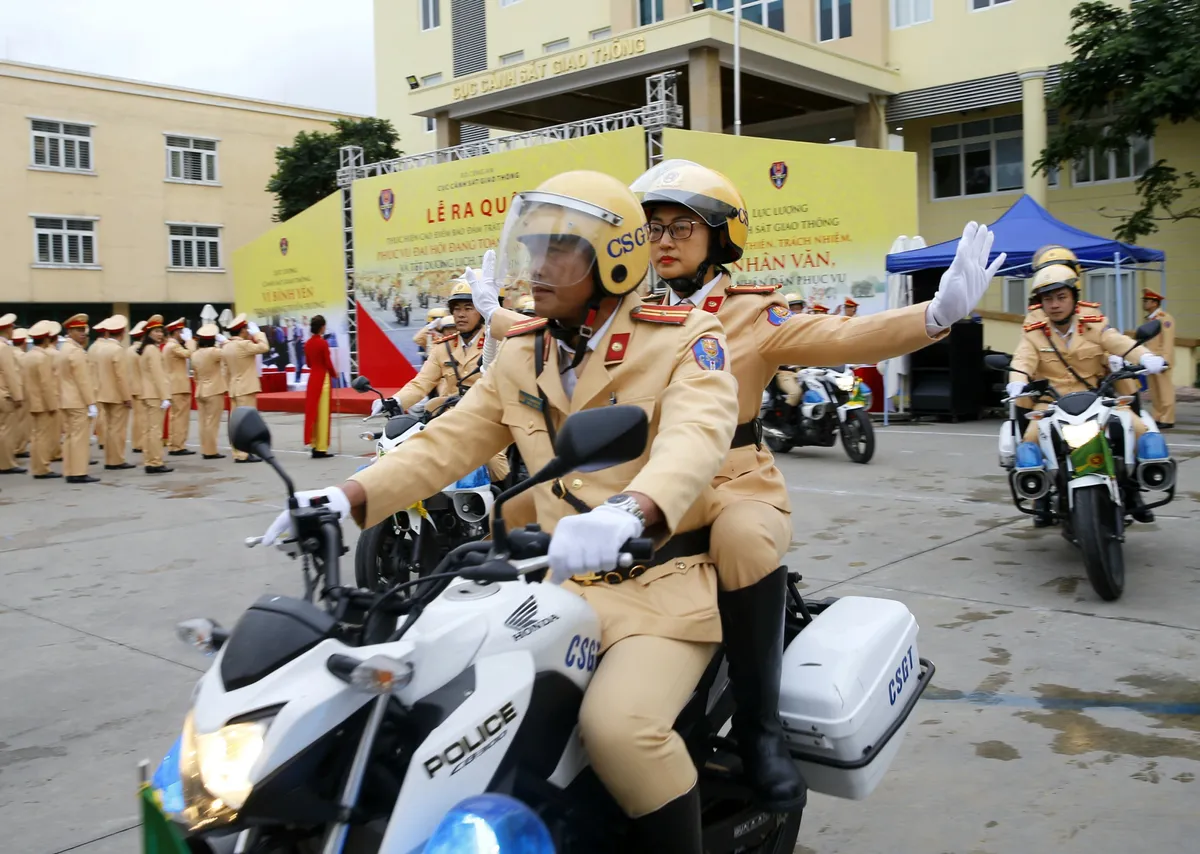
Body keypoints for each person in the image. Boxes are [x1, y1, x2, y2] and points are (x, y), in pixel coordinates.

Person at [473, 160, 1004, 811]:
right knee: (511, 513)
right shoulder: (627, 310)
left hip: (733, 479)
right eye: (652, 228)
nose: (663, 241)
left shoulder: (751, 313)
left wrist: (935, 315)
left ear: (719, 238)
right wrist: (491, 313)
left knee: (742, 539)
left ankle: (760, 730)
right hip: (640, 484)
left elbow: (841, 336)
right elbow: (541, 338)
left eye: (680, 227)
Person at [261, 170, 739, 852]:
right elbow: (448, 441)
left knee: (620, 730)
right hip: (551, 587)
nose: (537, 269)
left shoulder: (685, 336)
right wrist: (345, 497)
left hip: (656, 588)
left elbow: (697, 438)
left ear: (617, 257)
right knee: (435, 704)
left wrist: (633, 511)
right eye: (535, 249)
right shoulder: (524, 349)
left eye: (559, 253)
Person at [1008, 264, 1166, 525]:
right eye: (1048, 299)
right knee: (1030, 439)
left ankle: (1133, 492)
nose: (1055, 305)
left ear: (1073, 298)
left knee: (1138, 430)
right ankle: (1042, 495)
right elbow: (1022, 360)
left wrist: (1146, 356)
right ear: (1041, 304)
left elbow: (1118, 342)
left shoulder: (1094, 325)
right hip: (1052, 402)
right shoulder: (1034, 333)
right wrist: (1016, 381)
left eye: (1061, 297)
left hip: (1097, 398)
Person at [222, 314, 270, 463]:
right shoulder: (243, 344)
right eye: (246, 329)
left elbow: (225, 371)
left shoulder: (226, 346)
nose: (248, 331)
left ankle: (237, 452)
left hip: (234, 387)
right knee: (246, 422)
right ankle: (244, 453)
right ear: (242, 330)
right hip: (246, 388)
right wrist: (258, 334)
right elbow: (264, 347)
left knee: (235, 422)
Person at [59, 314, 99, 484]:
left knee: (70, 437)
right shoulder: (76, 352)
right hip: (77, 400)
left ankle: (70, 470)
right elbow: (83, 380)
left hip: (66, 399)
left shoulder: (64, 349)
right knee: (79, 438)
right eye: (78, 330)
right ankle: (78, 472)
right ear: (69, 331)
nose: (82, 333)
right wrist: (91, 403)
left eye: (83, 329)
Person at [94, 315, 135, 470]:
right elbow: (121, 377)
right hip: (117, 395)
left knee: (110, 428)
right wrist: (127, 397)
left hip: (104, 393)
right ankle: (116, 460)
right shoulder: (118, 350)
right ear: (122, 332)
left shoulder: (102, 349)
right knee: (118, 429)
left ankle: (110, 459)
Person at [23, 321, 62, 479]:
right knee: (43, 436)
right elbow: (46, 384)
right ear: (46, 340)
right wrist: (53, 405)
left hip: (32, 401)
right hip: (44, 403)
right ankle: (42, 468)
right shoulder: (42, 358)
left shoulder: (29, 356)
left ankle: (37, 466)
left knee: (37, 436)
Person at [138, 315, 173, 475]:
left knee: (149, 430)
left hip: (148, 393)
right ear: (149, 333)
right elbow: (158, 375)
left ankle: (149, 460)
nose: (159, 334)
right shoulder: (152, 350)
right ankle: (156, 461)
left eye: (161, 331)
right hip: (154, 394)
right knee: (155, 430)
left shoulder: (146, 349)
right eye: (156, 331)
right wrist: (165, 396)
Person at [191, 324, 228, 459]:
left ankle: (205, 449)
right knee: (212, 422)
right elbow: (228, 351)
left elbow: (195, 374)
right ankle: (211, 451)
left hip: (200, 389)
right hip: (214, 390)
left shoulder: (194, 354)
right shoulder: (214, 352)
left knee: (203, 422)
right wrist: (224, 341)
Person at [303, 314, 337, 459]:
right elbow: (328, 363)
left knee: (314, 413)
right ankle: (321, 448)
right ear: (322, 327)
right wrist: (335, 374)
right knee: (323, 414)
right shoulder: (323, 343)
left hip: (313, 379)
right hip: (323, 379)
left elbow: (309, 363)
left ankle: (314, 443)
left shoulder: (308, 343)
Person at [1142, 287, 1176, 428]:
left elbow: (1167, 341)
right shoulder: (1151, 319)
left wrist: (1165, 360)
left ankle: (1167, 418)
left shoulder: (1164, 318)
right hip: (1151, 360)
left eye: (1146, 301)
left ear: (1155, 303)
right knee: (1155, 391)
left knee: (1165, 391)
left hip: (1161, 360)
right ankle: (1158, 416)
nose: (1144, 303)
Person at [164, 318, 196, 456]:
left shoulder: (168, 346)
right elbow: (190, 353)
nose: (182, 334)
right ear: (175, 332)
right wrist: (190, 341)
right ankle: (178, 445)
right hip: (178, 385)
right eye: (180, 331)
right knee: (180, 417)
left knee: (175, 416)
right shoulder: (173, 346)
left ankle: (174, 444)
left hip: (174, 385)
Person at [0, 312, 26, 475]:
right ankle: (6, 463)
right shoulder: (4, 348)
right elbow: (10, 374)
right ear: (8, 330)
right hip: (4, 394)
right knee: (6, 430)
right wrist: (18, 396)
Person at [10, 327, 31, 459]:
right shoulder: (22, 356)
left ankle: (16, 447)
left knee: (15, 421)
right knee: (22, 422)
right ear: (23, 342)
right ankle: (19, 448)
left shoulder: (10, 352)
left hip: (13, 390)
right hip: (22, 390)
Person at [128, 321, 146, 453]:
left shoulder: (128, 350)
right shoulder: (142, 351)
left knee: (136, 417)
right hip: (141, 387)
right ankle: (140, 443)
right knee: (142, 418)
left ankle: (136, 442)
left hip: (132, 386)